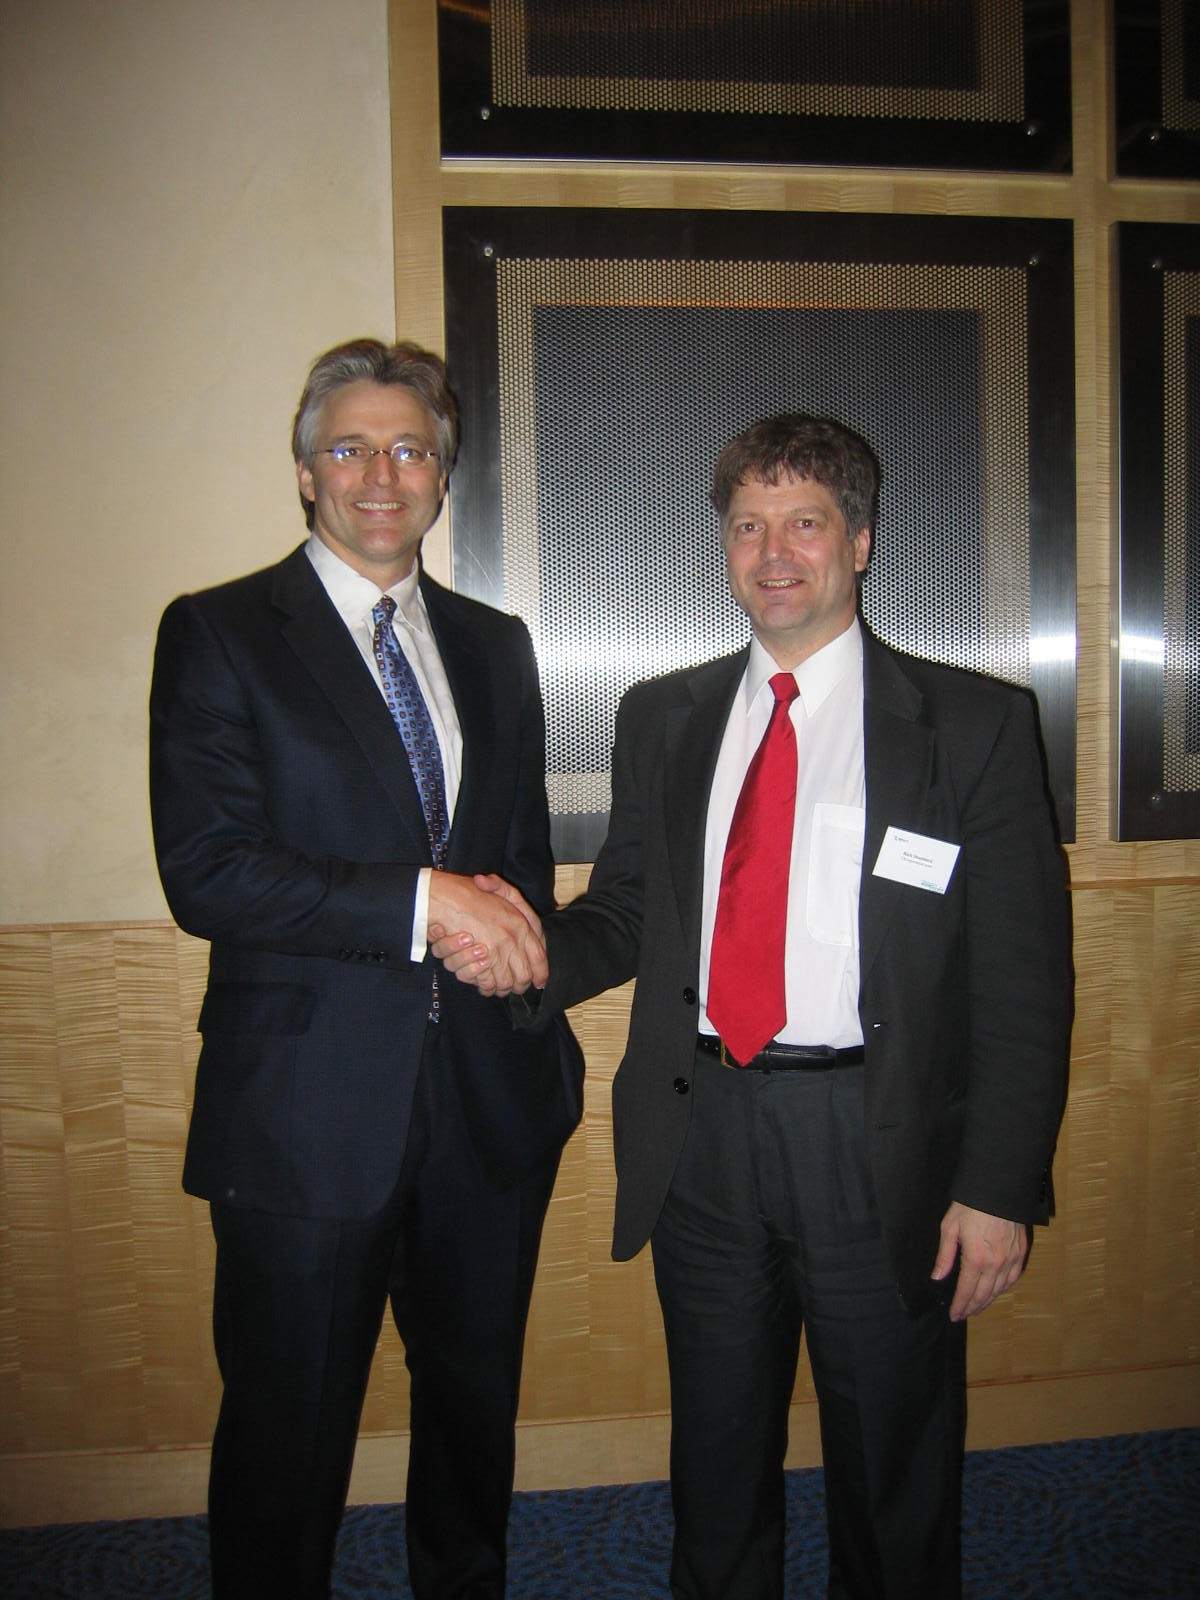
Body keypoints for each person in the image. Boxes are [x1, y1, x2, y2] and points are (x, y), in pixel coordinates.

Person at [434, 414, 1072, 1600]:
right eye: (747, 527)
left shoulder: (971, 726)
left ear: (861, 541)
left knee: (893, 1458)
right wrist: (527, 957)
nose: (774, 553)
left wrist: (996, 1187)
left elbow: (1024, 982)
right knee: (717, 1453)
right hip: (704, 1135)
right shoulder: (662, 715)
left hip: (879, 1141)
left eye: (805, 523)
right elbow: (631, 908)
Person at [149, 338, 582, 1600]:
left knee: (471, 1415)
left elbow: (519, 858)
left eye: (410, 449)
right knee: (287, 1434)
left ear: (443, 474)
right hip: (305, 1112)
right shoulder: (221, 632)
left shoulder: (498, 644)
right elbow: (209, 873)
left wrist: (520, 962)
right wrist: (426, 901)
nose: (381, 476)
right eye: (349, 448)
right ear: (304, 472)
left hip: (487, 1106)